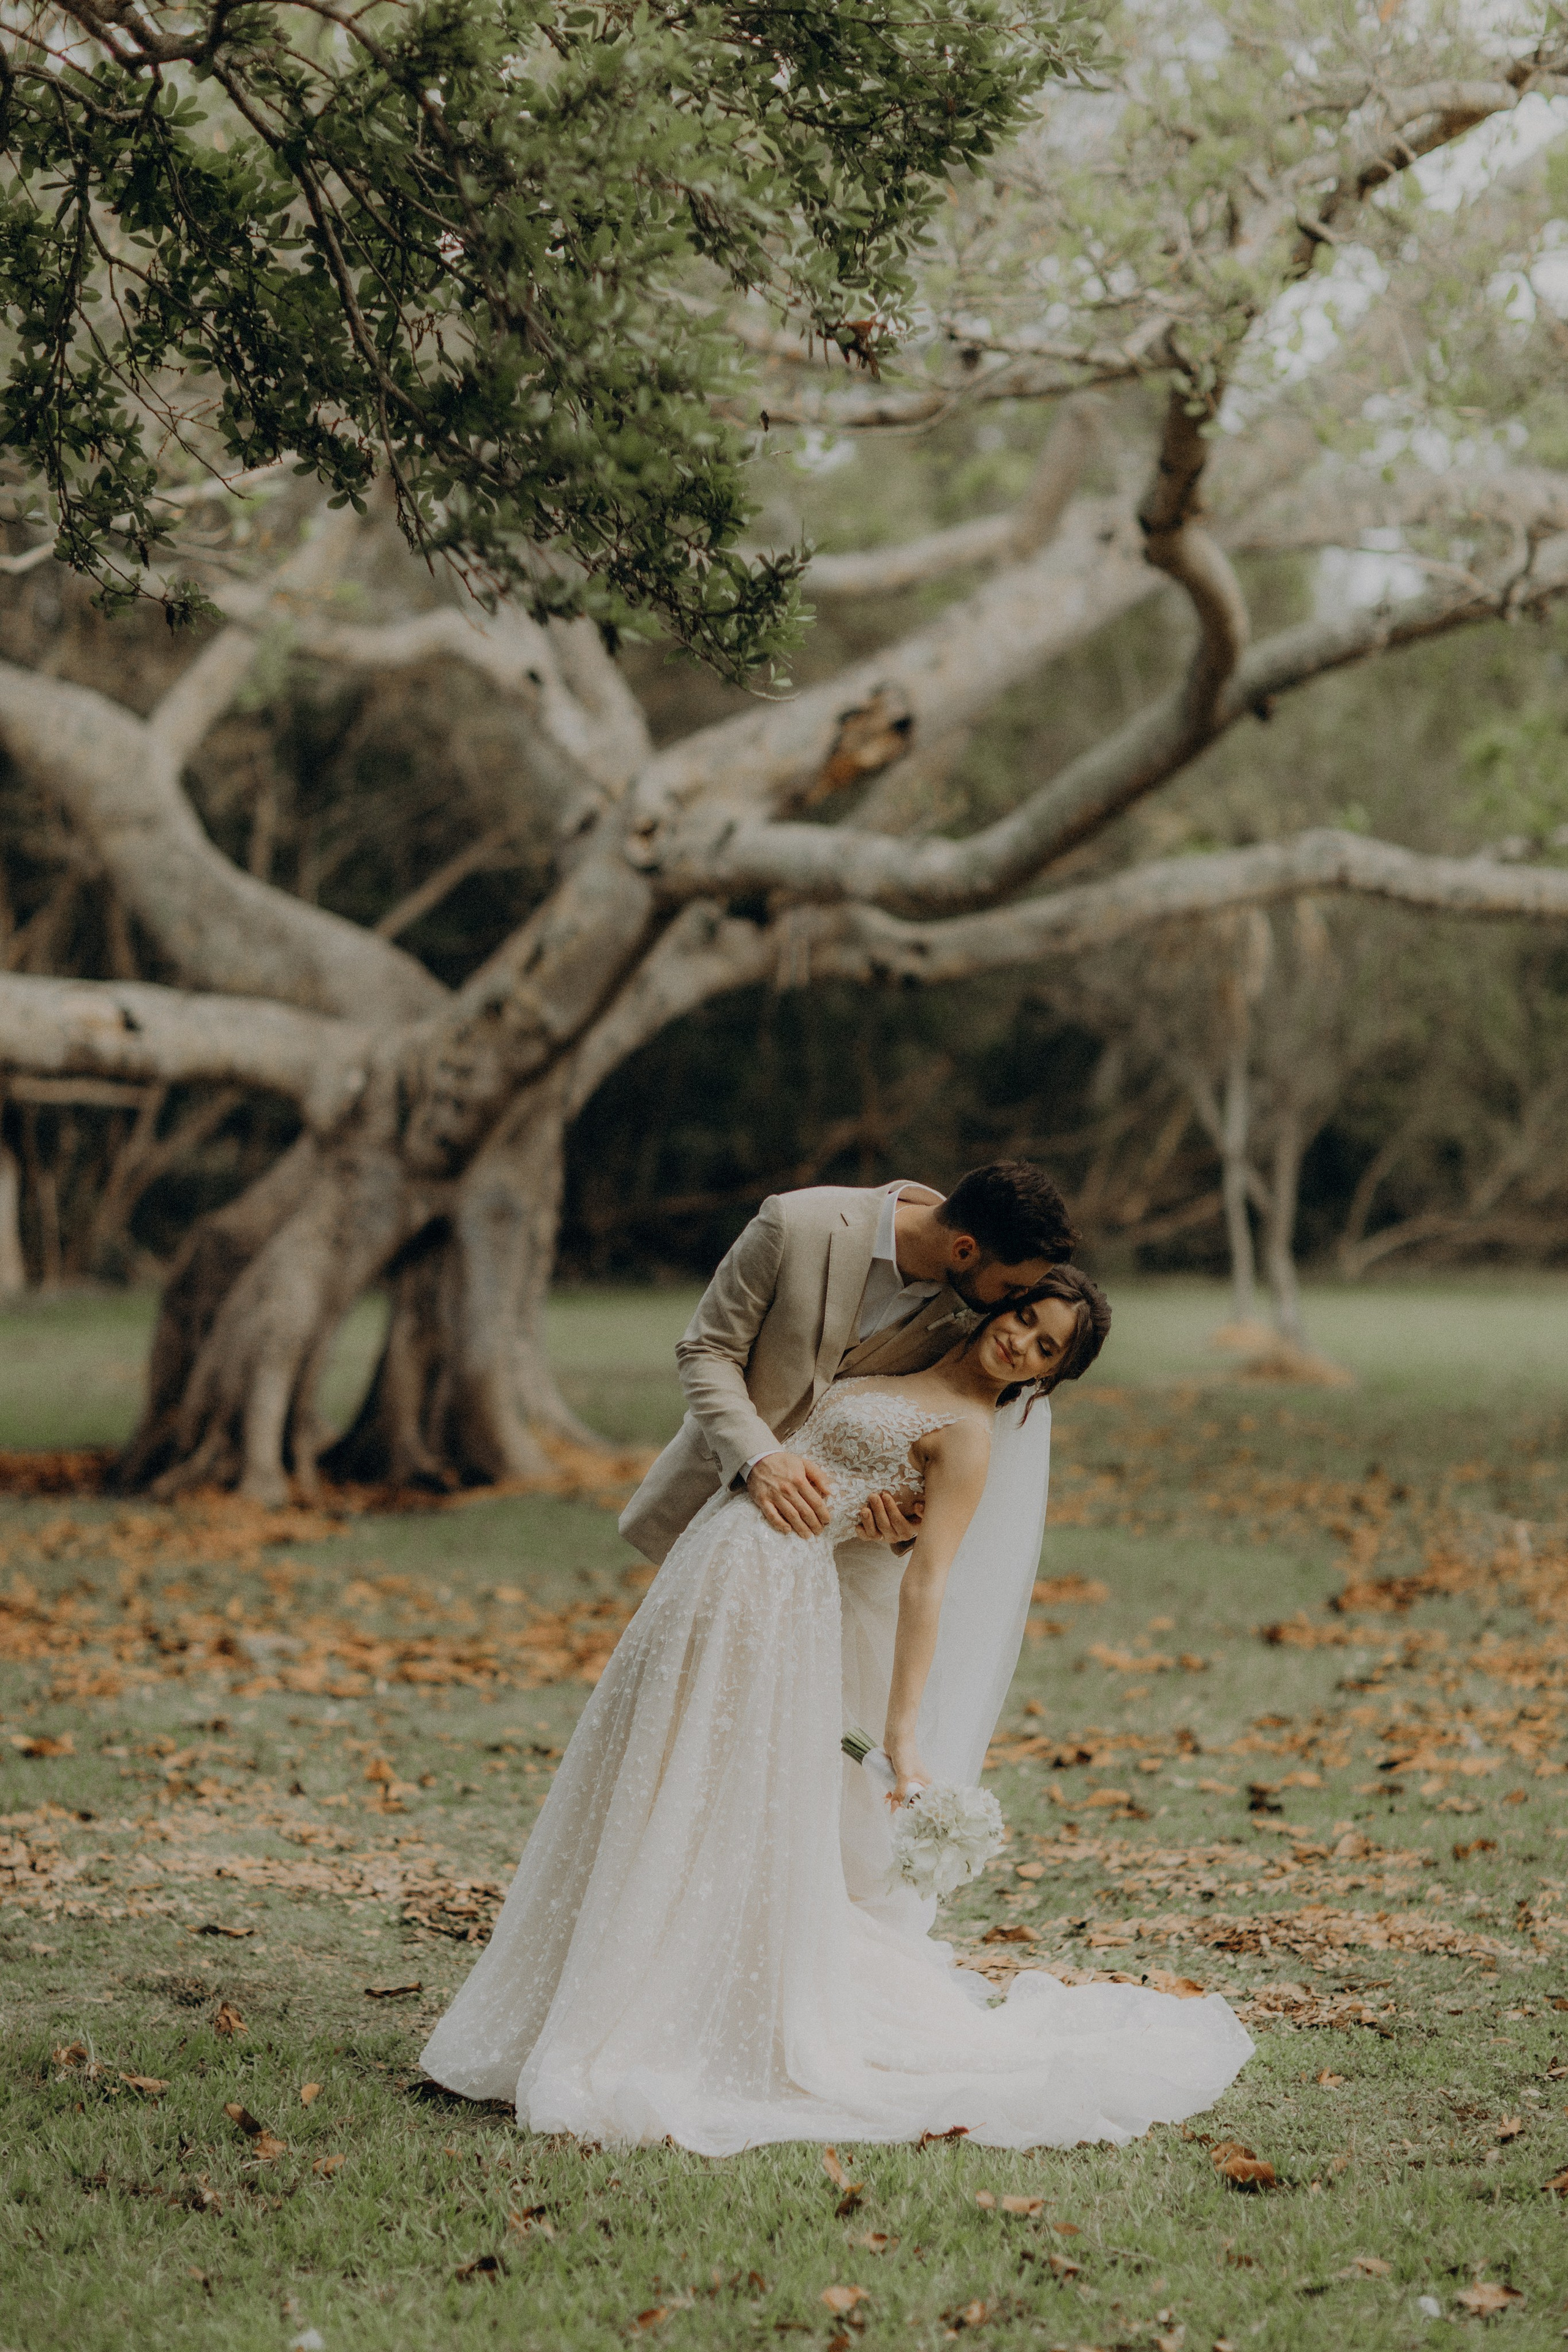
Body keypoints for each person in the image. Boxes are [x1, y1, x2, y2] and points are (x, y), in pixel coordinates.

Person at [420, 1268, 1253, 2153]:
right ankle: (564, 2001)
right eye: (1025, 1318)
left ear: (1045, 1380)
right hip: (712, 1563)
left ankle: (655, 2012)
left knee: (712, 1794)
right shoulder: (899, 1348)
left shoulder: (966, 1440)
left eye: (1046, 1349)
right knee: (644, 1772)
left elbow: (928, 1585)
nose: (1021, 1342)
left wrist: (903, 1734)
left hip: (781, 1601)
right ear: (1002, 1305)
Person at [619, 1160, 1079, 1566]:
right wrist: (759, 1459)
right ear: (963, 1251)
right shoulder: (795, 1222)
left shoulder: (976, 1327)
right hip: (712, 1489)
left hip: (831, 1555)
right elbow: (708, 1350)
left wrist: (903, 1526)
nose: (1013, 1305)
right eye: (1012, 1290)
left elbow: (936, 1437)